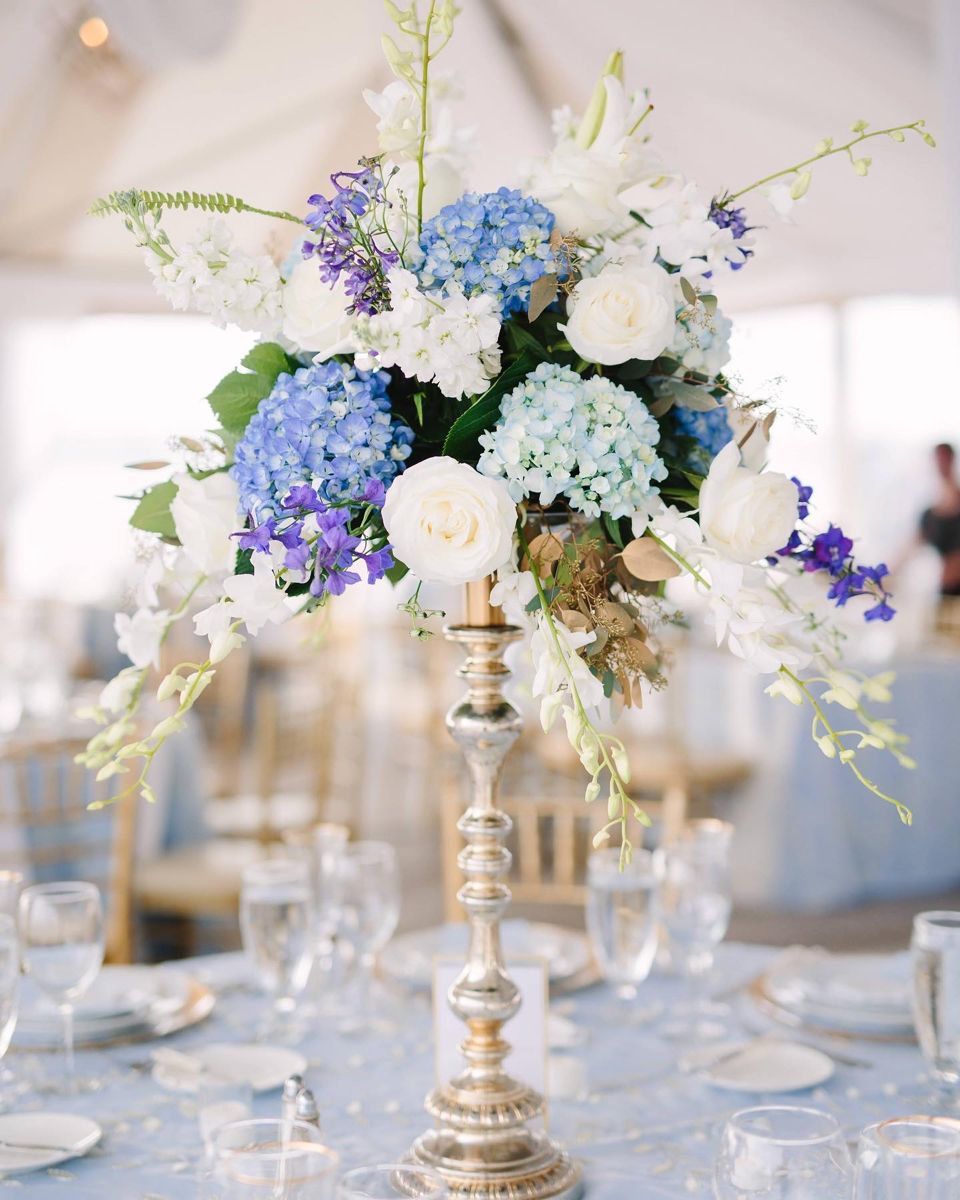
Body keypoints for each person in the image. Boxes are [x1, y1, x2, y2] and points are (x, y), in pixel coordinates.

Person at [919, 443, 960, 596]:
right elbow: (912, 545)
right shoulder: (929, 514)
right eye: (938, 460)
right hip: (945, 592)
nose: (940, 464)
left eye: (944, 459)